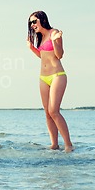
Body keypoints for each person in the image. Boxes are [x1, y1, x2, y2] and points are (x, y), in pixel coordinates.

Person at [27, 11, 74, 152]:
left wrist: (56, 40)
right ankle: (54, 144)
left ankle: (68, 145)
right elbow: (43, 57)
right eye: (30, 23)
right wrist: (32, 48)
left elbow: (59, 55)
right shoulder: (40, 37)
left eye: (34, 21)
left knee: (54, 111)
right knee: (47, 112)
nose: (32, 25)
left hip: (57, 75)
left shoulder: (54, 32)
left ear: (42, 19)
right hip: (43, 77)